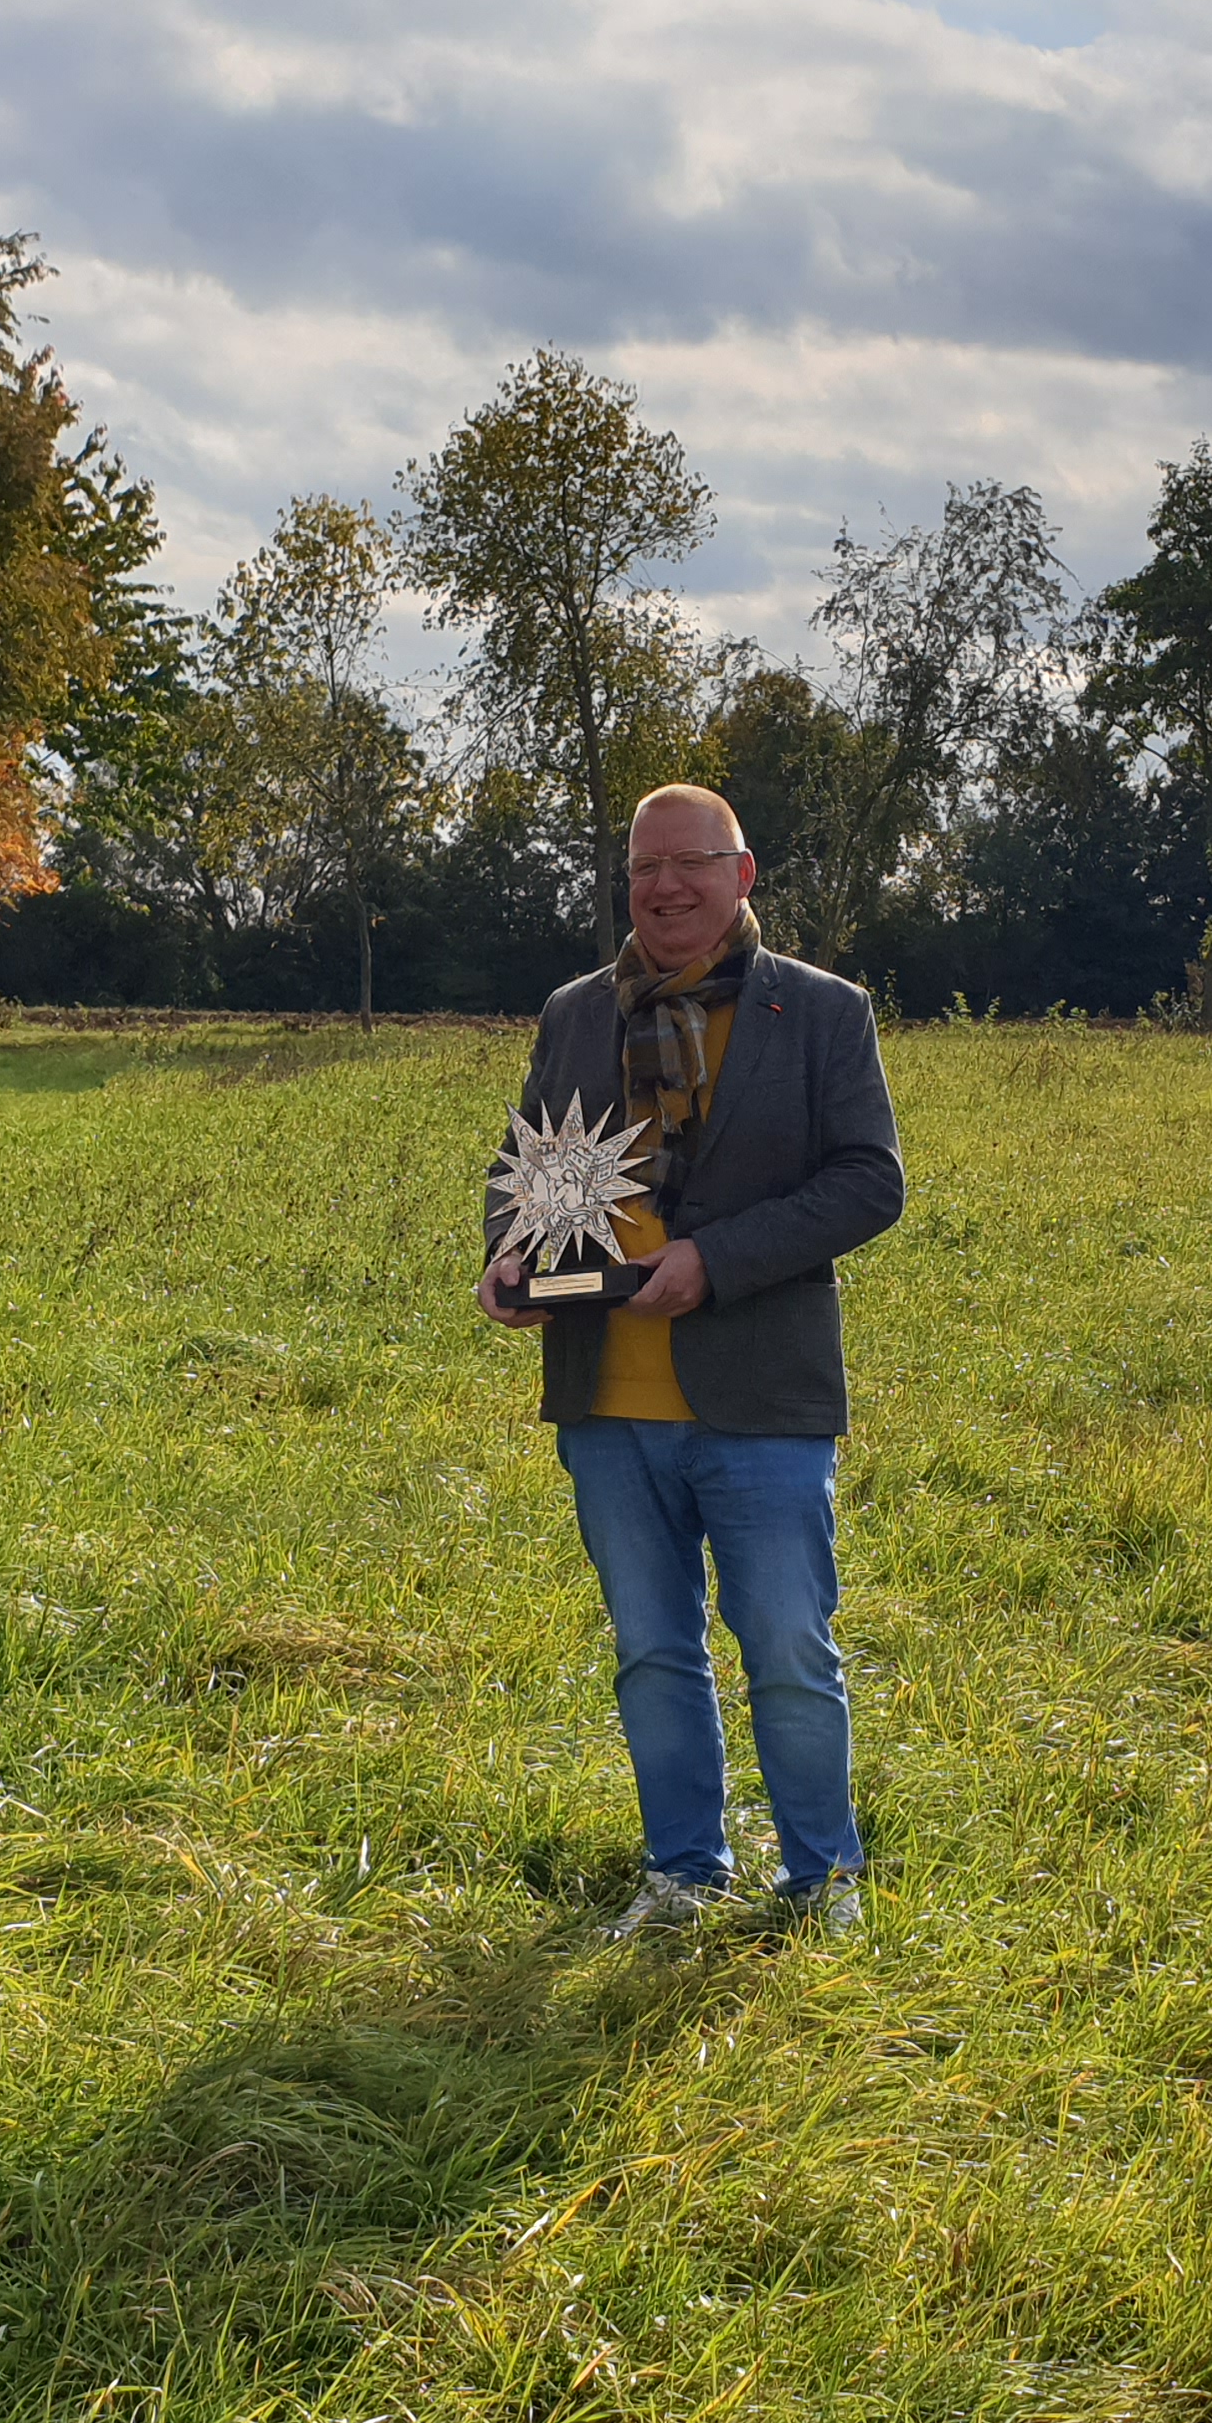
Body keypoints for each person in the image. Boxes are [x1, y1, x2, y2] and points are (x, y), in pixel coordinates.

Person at [481, 785, 907, 1935]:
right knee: (655, 1655)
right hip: (607, 1402)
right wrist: (509, 1255)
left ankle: (824, 1882)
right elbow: (532, 1169)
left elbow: (871, 1181)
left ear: (742, 873)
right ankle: (683, 1876)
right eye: (643, 868)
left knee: (784, 1649)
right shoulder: (579, 1013)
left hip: (761, 1401)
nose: (665, 887)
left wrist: (716, 1261)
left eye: (690, 863)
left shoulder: (819, 1013)